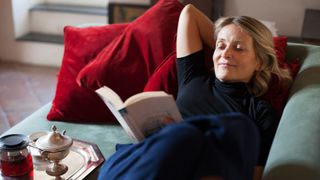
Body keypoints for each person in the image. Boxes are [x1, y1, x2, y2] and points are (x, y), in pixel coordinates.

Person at [98, 4, 292, 180]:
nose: (225, 53)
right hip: (146, 160)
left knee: (238, 128)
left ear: (259, 61)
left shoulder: (260, 111)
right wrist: (226, 36)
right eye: (220, 46)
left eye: (239, 48)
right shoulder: (194, 77)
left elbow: (254, 175)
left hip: (191, 167)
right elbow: (189, 13)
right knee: (181, 138)